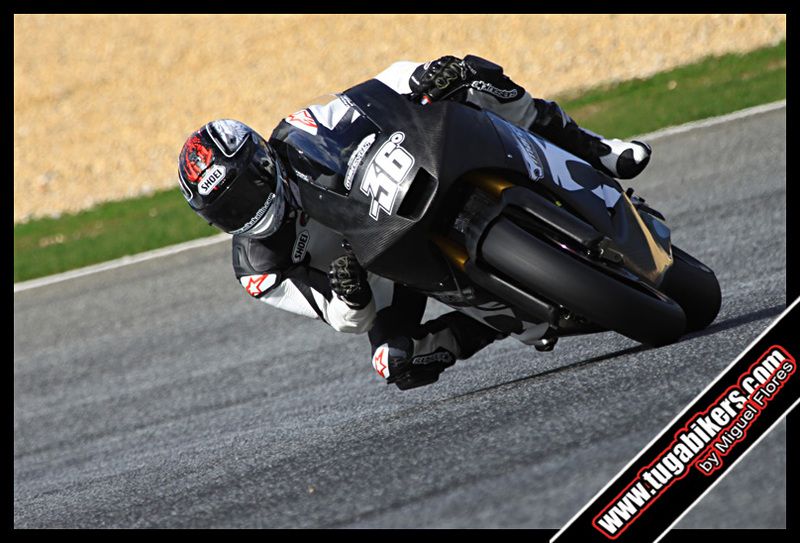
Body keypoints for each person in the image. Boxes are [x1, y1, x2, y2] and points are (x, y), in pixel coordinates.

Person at [178, 55, 652, 390]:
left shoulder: (298, 134)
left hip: (402, 184)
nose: (241, 213)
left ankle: (597, 150)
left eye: (241, 195)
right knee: (395, 364)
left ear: (261, 162)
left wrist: (426, 77)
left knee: (474, 78)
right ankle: (508, 317)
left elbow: (374, 92)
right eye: (226, 212)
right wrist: (351, 291)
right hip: (380, 268)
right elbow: (343, 320)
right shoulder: (257, 269)